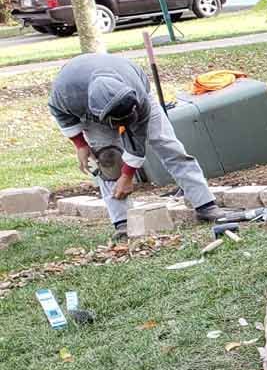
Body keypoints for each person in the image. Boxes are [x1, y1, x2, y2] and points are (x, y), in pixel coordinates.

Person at [48, 53, 235, 239]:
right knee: (108, 160)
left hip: (136, 98)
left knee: (168, 147)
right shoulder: (66, 94)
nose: (122, 126)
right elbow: (60, 113)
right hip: (91, 108)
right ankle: (124, 223)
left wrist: (128, 175)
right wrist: (80, 144)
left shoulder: (137, 97)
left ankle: (205, 205)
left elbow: (136, 141)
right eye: (118, 122)